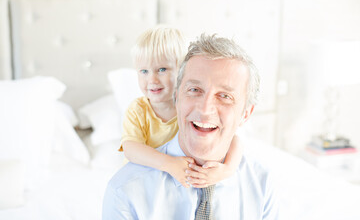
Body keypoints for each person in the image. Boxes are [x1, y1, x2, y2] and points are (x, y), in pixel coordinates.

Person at [103, 33, 279, 219]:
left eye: (225, 96)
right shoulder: (125, 192)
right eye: (195, 90)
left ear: (246, 114)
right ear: (177, 98)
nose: (205, 110)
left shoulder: (262, 184)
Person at [119, 26, 243, 188]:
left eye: (162, 69)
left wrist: (227, 170)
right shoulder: (138, 110)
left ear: (183, 73)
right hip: (145, 180)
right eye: (144, 71)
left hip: (181, 179)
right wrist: (169, 164)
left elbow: (234, 138)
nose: (152, 79)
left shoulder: (191, 108)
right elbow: (131, 149)